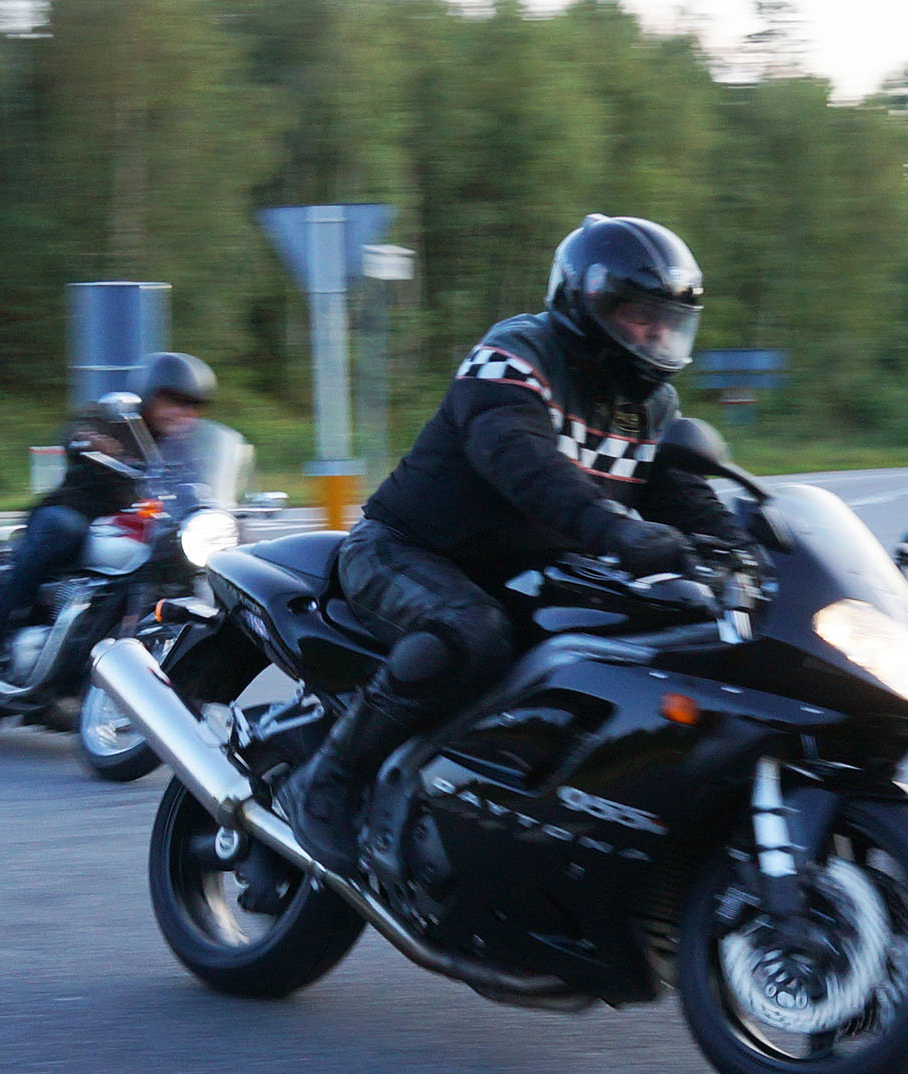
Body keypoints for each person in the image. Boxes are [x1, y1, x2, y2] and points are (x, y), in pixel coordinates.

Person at [278, 214, 749, 875]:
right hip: (406, 551)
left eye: (667, 320)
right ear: (587, 303)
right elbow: (521, 460)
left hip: (523, 576)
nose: (655, 333)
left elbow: (683, 496)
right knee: (471, 633)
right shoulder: (514, 354)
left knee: (653, 632)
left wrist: (747, 551)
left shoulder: (653, 408)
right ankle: (328, 778)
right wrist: (615, 530)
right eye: (639, 315)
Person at [0, 351, 218, 666]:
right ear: (149, 394)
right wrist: (88, 440)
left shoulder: (183, 447)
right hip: (76, 511)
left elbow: (200, 488)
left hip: (133, 526)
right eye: (174, 400)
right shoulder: (114, 418)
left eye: (193, 405)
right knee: (64, 531)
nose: (182, 411)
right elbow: (74, 434)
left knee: (185, 561)